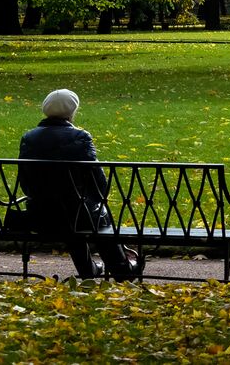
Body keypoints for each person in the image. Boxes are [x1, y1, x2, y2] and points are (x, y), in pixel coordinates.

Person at [18, 89, 139, 279]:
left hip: (40, 216)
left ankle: (88, 269)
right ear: (72, 111)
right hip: (77, 216)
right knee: (91, 212)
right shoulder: (80, 137)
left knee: (73, 210)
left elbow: (25, 183)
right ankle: (122, 269)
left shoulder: (29, 138)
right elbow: (99, 184)